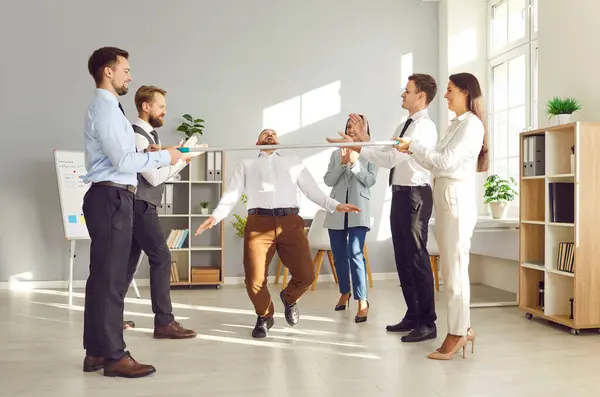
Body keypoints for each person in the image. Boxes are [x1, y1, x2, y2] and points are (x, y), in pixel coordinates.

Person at [194, 129, 361, 338]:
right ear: (258, 142)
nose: (270, 135)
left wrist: (335, 206)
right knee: (254, 280)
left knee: (306, 275)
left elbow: (312, 190)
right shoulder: (247, 165)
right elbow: (232, 194)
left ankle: (289, 298)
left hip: (290, 222)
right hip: (258, 223)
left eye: (273, 134)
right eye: (265, 134)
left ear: (278, 143)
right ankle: (265, 316)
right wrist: (216, 216)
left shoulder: (293, 161)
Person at [82, 46, 182, 378]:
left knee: (101, 280)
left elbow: (123, 155)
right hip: (112, 198)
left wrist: (153, 153)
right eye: (125, 69)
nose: (129, 75)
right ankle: (114, 356)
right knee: (109, 281)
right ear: (107, 72)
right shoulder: (108, 110)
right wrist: (167, 156)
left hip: (110, 198)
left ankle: (96, 351)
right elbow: (124, 162)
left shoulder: (109, 108)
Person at [327, 74, 439, 343]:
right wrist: (363, 141)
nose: (403, 95)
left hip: (415, 196)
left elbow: (390, 159)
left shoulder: (424, 127)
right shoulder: (404, 124)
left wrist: (360, 144)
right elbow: (382, 154)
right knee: (402, 257)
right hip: (399, 195)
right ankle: (412, 315)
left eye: (407, 91)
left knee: (416, 258)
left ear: (421, 96)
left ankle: (428, 322)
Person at [393, 72, 489, 360]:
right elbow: (436, 163)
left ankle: (457, 333)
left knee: (455, 271)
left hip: (455, 198)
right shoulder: (455, 125)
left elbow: (443, 162)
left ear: (465, 93)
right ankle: (464, 328)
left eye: (450, 90)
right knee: (451, 270)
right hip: (446, 196)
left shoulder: (471, 125)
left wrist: (414, 148)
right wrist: (417, 151)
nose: (445, 95)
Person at [122, 85, 203, 339]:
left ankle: (111, 317)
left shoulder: (151, 137)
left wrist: (176, 157)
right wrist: (179, 160)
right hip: (140, 205)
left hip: (141, 205)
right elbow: (153, 178)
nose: (164, 112)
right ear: (146, 107)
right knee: (161, 257)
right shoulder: (137, 136)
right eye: (161, 107)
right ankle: (164, 322)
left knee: (128, 265)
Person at [322, 115, 377, 322]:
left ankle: (362, 300)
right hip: (337, 210)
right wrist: (342, 164)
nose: (351, 129)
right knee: (339, 256)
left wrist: (355, 164)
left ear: (365, 129)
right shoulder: (336, 154)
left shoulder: (371, 153)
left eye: (355, 126)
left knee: (355, 253)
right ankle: (345, 291)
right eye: (348, 126)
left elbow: (370, 180)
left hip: (359, 210)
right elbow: (328, 181)